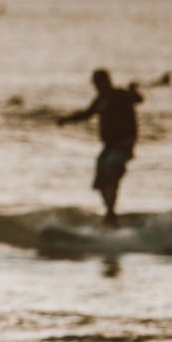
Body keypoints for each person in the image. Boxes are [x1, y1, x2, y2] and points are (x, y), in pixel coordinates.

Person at [57, 69, 143, 227]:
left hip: (123, 145)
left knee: (111, 174)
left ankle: (111, 215)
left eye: (98, 82)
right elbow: (87, 114)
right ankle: (110, 214)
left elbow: (137, 98)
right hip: (109, 146)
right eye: (95, 83)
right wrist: (66, 119)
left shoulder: (120, 95)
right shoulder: (101, 99)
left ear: (106, 81)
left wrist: (133, 90)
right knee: (101, 181)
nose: (96, 86)